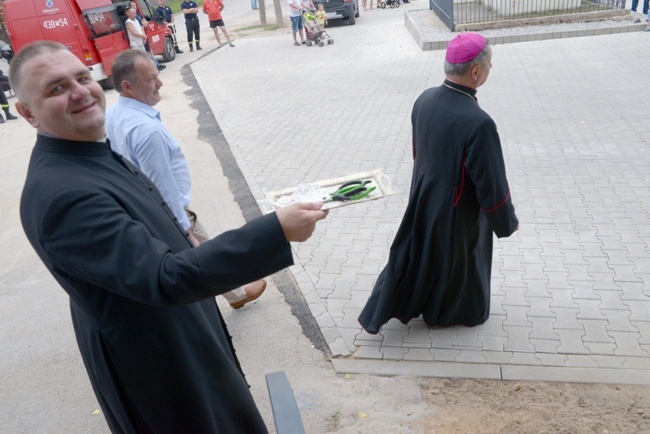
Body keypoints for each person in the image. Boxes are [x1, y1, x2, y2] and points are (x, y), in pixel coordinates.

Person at [12, 41, 328, 433]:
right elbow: (162, 277)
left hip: (175, 331)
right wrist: (274, 231)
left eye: (81, 77)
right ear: (27, 113)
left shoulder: (85, 152)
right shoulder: (64, 195)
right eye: (56, 88)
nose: (80, 91)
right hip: (158, 361)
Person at [358, 33, 519, 334]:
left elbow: (420, 153)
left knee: (428, 258)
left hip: (425, 198)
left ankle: (426, 305)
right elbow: (491, 185)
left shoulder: (425, 99)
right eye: (489, 65)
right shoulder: (478, 122)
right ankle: (453, 314)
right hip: (460, 212)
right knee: (459, 266)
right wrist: (506, 222)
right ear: (475, 71)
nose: (490, 69)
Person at [106, 49, 265, 308]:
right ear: (127, 86)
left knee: (205, 253)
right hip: (170, 209)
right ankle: (235, 294)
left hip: (146, 206)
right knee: (204, 254)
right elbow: (161, 183)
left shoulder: (113, 114)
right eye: (151, 79)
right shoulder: (146, 130)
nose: (160, 83)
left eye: (157, 75)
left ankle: (235, 294)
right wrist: (183, 226)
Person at [128, 1, 166, 71]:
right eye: (132, 6)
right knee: (143, 55)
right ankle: (155, 66)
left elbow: (145, 23)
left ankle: (156, 65)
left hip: (143, 36)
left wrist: (143, 32)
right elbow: (137, 29)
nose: (134, 7)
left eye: (135, 5)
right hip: (139, 40)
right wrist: (143, 29)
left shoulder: (138, 15)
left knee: (149, 52)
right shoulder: (130, 21)